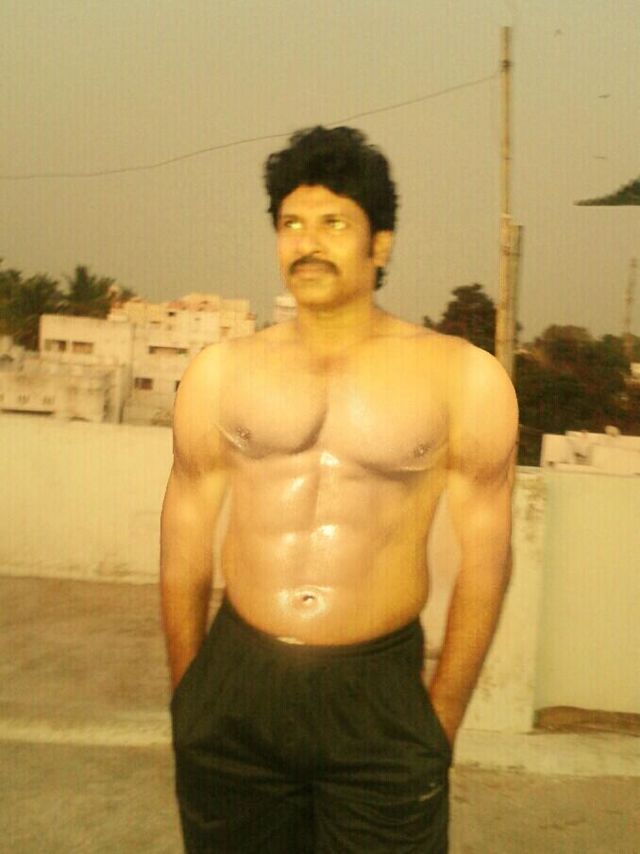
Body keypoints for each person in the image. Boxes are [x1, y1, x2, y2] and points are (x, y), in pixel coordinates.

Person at [160, 126, 518, 853]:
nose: (308, 243)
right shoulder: (220, 372)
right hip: (238, 679)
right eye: (292, 223)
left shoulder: (461, 377)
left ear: (380, 243)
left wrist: (438, 725)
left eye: (334, 223)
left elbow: (486, 561)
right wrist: (190, 698)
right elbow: (185, 538)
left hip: (376, 690)